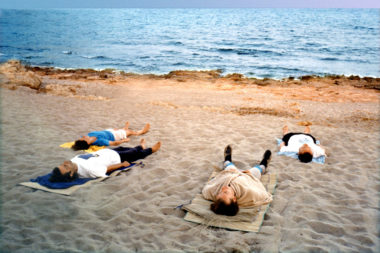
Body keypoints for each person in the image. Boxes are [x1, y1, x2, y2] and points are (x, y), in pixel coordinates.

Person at [201, 145, 273, 216]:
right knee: (257, 171)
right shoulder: (249, 192)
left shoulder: (211, 193)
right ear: (234, 198)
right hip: (247, 176)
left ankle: (227, 158)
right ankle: (264, 163)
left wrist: (222, 176)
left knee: (229, 166)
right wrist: (248, 175)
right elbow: (265, 196)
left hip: (231, 173)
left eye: (219, 193)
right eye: (225, 192)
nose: (223, 188)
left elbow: (205, 190)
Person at [50, 139, 161, 182]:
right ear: (71, 174)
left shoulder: (72, 162)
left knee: (129, 149)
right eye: (65, 167)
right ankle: (151, 149)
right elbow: (108, 169)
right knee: (135, 154)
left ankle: (141, 146)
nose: (65, 163)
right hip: (116, 158)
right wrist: (122, 164)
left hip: (107, 152)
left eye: (62, 164)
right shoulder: (91, 171)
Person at [72, 122, 150, 151]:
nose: (83, 136)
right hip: (115, 136)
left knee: (121, 130)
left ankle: (124, 128)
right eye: (82, 138)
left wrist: (111, 130)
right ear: (86, 142)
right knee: (130, 132)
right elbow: (114, 143)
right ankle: (142, 132)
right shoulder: (99, 141)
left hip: (108, 131)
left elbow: (101, 132)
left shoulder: (89, 135)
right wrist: (123, 141)